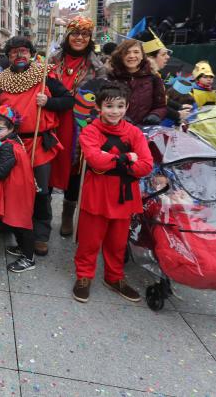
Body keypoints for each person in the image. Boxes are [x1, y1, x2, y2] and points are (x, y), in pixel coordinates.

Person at [0, 37, 74, 257]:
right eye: (15, 52)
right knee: (14, 190)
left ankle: (40, 235)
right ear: (8, 56)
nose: (19, 56)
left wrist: (49, 102)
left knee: (41, 191)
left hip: (38, 143)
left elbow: (68, 100)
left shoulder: (44, 74)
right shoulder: (1, 80)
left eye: (24, 51)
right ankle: (13, 227)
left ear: (31, 53)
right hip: (11, 145)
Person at [73, 83, 153, 303]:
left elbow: (146, 165)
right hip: (97, 193)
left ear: (126, 107)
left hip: (123, 194)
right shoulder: (90, 131)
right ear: (99, 107)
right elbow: (94, 159)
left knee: (117, 243)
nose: (115, 111)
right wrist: (127, 159)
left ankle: (114, 277)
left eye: (120, 106)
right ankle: (84, 276)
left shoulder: (134, 133)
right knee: (89, 241)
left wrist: (109, 162)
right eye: (109, 106)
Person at [48, 17, 107, 237]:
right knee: (48, 165)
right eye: (75, 33)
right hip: (52, 119)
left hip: (79, 124)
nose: (79, 38)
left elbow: (100, 97)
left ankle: (66, 216)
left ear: (90, 38)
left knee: (74, 170)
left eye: (84, 34)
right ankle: (44, 217)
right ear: (67, 36)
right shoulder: (52, 60)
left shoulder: (98, 67)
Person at [0, 105, 36, 273]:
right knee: (17, 221)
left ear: (11, 128)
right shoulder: (11, 140)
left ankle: (29, 258)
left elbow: (0, 172)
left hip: (17, 190)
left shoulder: (6, 147)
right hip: (18, 187)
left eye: (0, 129)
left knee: (20, 223)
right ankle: (23, 248)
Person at [107, 39, 166, 126]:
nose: (132, 56)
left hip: (144, 131)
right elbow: (102, 105)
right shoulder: (111, 77)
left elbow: (161, 106)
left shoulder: (153, 77)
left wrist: (155, 115)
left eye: (136, 52)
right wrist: (119, 118)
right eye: (127, 52)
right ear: (120, 56)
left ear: (142, 55)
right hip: (116, 129)